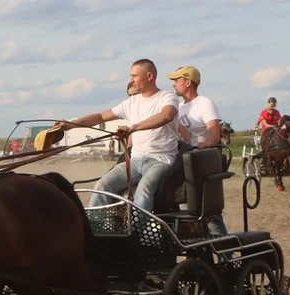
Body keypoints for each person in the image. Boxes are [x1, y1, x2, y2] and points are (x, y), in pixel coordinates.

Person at [62, 58, 180, 212]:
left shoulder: (167, 97)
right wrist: (71, 125)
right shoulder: (131, 102)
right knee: (102, 185)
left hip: (160, 160)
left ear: (149, 76)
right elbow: (101, 117)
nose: (131, 80)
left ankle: (138, 233)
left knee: (143, 191)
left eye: (134, 76)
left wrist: (133, 128)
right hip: (135, 161)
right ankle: (94, 229)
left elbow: (166, 116)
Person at [168, 65, 227, 237]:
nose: (173, 85)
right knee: (186, 210)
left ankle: (225, 253)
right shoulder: (178, 107)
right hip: (183, 160)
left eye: (177, 80)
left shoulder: (204, 103)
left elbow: (214, 130)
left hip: (199, 162)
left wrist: (208, 142)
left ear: (188, 82)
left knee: (208, 213)